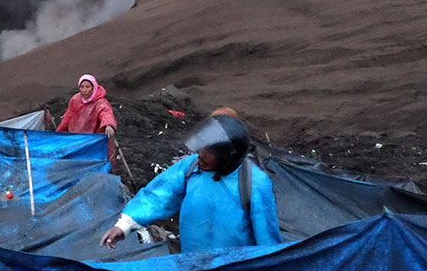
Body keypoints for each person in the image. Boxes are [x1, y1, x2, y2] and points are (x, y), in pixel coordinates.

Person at [99, 114, 282, 253]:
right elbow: (159, 194)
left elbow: (267, 237)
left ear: (228, 157)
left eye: (210, 151)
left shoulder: (253, 183)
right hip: (192, 265)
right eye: (202, 146)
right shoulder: (191, 167)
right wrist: (123, 226)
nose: (201, 154)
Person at [55, 74, 118, 163]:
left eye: (87, 87)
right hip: (77, 138)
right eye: (82, 87)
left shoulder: (100, 102)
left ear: (93, 87)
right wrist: (58, 133)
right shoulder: (75, 100)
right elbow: (68, 117)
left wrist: (109, 125)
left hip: (93, 140)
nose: (84, 90)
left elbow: (106, 113)